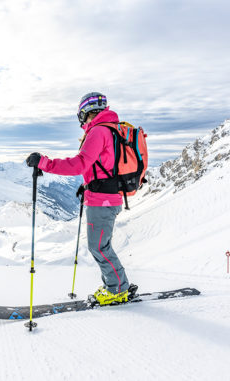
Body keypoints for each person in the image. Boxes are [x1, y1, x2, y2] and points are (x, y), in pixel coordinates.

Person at [26, 92, 136, 305]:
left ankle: (117, 289)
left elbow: (79, 164)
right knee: (101, 246)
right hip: (104, 196)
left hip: (102, 200)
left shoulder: (99, 131)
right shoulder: (111, 129)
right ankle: (117, 285)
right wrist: (87, 186)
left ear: (86, 111)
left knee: (99, 247)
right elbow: (102, 167)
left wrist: (44, 163)